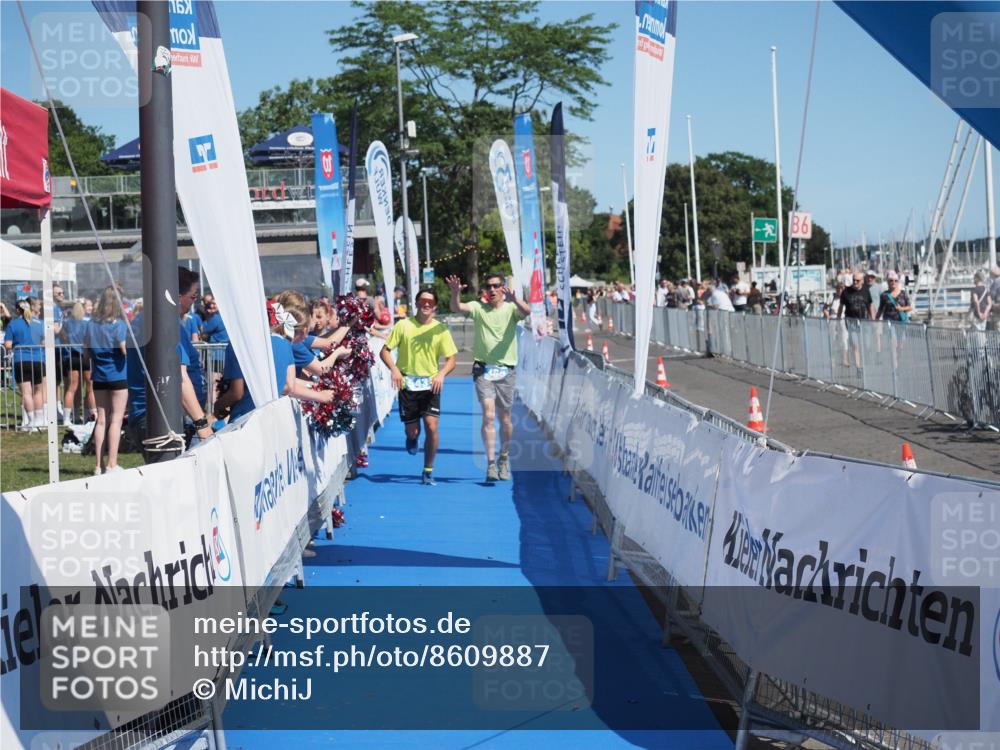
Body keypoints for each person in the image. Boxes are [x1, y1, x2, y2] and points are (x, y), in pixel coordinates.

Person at [447, 272, 530, 483]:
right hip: (484, 370)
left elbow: (527, 312)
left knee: (506, 418)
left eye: (495, 286)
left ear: (503, 288)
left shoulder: (512, 309)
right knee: (489, 416)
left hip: (506, 371)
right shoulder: (478, 308)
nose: (491, 290)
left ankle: (504, 458)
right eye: (488, 286)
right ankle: (491, 464)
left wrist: (516, 300)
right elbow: (457, 308)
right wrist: (455, 293)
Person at [379, 286, 457, 485]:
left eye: (430, 303)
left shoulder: (441, 329)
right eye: (423, 302)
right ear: (416, 304)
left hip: (431, 384)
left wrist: (441, 374)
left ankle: (428, 470)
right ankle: (412, 438)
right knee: (413, 431)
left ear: (435, 307)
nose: (426, 305)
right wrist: (395, 370)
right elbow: (385, 351)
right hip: (408, 384)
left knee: (432, 426)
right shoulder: (403, 325)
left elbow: (451, 359)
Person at [214, 301, 341, 425]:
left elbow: (237, 393)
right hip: (270, 418)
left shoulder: (238, 344)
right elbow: (289, 386)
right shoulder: (285, 344)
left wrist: (218, 406)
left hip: (244, 418)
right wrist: (320, 393)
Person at [84, 287, 129, 475]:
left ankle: (98, 465)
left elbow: (86, 351)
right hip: (118, 375)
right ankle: (112, 464)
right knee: (116, 419)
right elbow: (124, 349)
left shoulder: (91, 324)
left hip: (99, 375)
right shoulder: (119, 324)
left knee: (101, 420)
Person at [4, 298, 45, 430]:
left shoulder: (13, 324)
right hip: (39, 360)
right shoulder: (39, 323)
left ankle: (31, 421)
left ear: (17, 310)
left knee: (27, 393)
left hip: (21, 360)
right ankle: (40, 421)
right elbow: (44, 341)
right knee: (38, 391)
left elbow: (8, 344)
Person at [838, 272, 874, 370]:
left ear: (862, 281)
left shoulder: (866, 291)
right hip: (851, 321)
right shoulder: (846, 292)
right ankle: (858, 366)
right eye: (853, 280)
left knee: (867, 344)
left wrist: (874, 320)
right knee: (855, 344)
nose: (855, 282)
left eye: (857, 280)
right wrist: (837, 319)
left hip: (865, 321)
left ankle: (865, 363)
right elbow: (841, 306)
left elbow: (870, 306)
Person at [60, 301, 88, 424]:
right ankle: (85, 415)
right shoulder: (87, 322)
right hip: (85, 356)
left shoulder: (67, 323)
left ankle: (68, 417)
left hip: (72, 356)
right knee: (88, 388)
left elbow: (63, 338)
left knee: (72, 388)